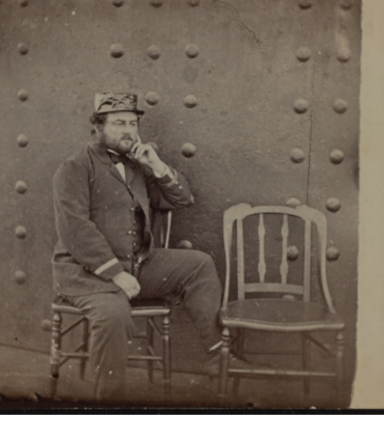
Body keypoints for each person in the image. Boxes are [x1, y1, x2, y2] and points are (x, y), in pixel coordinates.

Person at [50, 91, 251, 401]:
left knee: (198, 264)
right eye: (119, 123)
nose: (128, 130)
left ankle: (215, 355)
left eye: (133, 123)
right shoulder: (75, 167)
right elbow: (75, 229)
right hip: (86, 275)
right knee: (114, 315)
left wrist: (156, 165)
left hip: (136, 266)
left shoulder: (136, 167)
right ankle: (109, 399)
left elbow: (180, 200)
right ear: (98, 127)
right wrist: (116, 274)